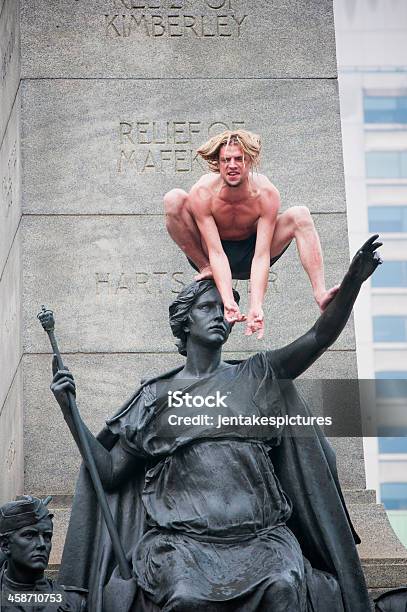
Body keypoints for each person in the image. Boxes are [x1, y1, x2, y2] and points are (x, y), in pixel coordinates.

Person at [51, 236, 381, 611]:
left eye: (224, 309)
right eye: (208, 307)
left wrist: (352, 283)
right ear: (184, 321)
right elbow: (109, 472)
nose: (219, 315)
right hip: (182, 544)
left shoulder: (258, 374)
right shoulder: (156, 397)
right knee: (185, 597)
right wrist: (69, 410)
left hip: (261, 539)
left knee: (284, 586)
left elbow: (319, 337)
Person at [164, 129, 340, 338]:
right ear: (218, 164)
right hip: (212, 256)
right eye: (225, 160)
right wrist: (228, 301)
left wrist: (256, 306)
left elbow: (261, 255)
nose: (232, 165)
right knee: (173, 198)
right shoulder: (203, 192)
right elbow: (216, 252)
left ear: (250, 160)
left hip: (252, 253)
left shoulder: (266, 194)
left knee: (300, 215)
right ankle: (205, 268)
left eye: (239, 159)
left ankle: (320, 294)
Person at [0, 496, 87, 611]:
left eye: (47, 536)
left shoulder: (74, 602)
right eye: (29, 535)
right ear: (5, 545)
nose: (42, 544)